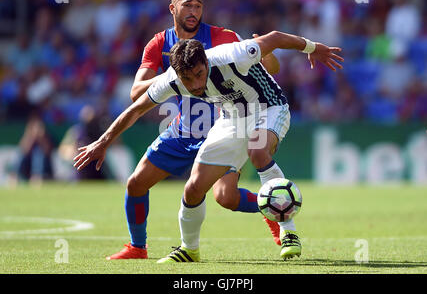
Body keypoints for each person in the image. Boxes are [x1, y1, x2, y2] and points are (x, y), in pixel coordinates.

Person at [73, 30, 344, 262]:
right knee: (193, 188)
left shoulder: (232, 54)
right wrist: (102, 141)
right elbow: (135, 109)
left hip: (268, 108)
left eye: (199, 74)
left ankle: (288, 230)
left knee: (257, 150)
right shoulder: (173, 79)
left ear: (206, 61)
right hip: (231, 119)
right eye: (188, 80)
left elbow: (273, 38)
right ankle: (190, 250)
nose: (196, 84)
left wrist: (314, 47)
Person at [103, 0, 282, 260]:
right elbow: (136, 92)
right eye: (187, 5)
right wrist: (175, 75)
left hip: (223, 126)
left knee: (226, 198)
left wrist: (267, 53)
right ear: (173, 8)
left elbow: (269, 69)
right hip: (183, 129)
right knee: (136, 183)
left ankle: (275, 206)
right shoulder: (160, 43)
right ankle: (137, 247)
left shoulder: (222, 37)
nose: (194, 11)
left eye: (198, 5)